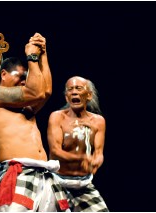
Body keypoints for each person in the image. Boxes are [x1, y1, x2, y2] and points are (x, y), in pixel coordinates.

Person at [0, 33, 69, 212]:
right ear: (4, 74)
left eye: (26, 77)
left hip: (45, 176)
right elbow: (36, 91)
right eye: (20, 76)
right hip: (19, 172)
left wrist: (43, 55)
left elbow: (45, 91)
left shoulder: (25, 107)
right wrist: (31, 56)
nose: (24, 80)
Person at [47, 76, 108, 212]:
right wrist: (82, 158)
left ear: (89, 95)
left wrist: (96, 162)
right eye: (70, 89)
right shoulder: (57, 117)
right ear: (66, 97)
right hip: (57, 182)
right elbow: (55, 151)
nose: (74, 92)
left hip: (84, 184)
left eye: (78, 88)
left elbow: (98, 153)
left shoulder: (98, 121)